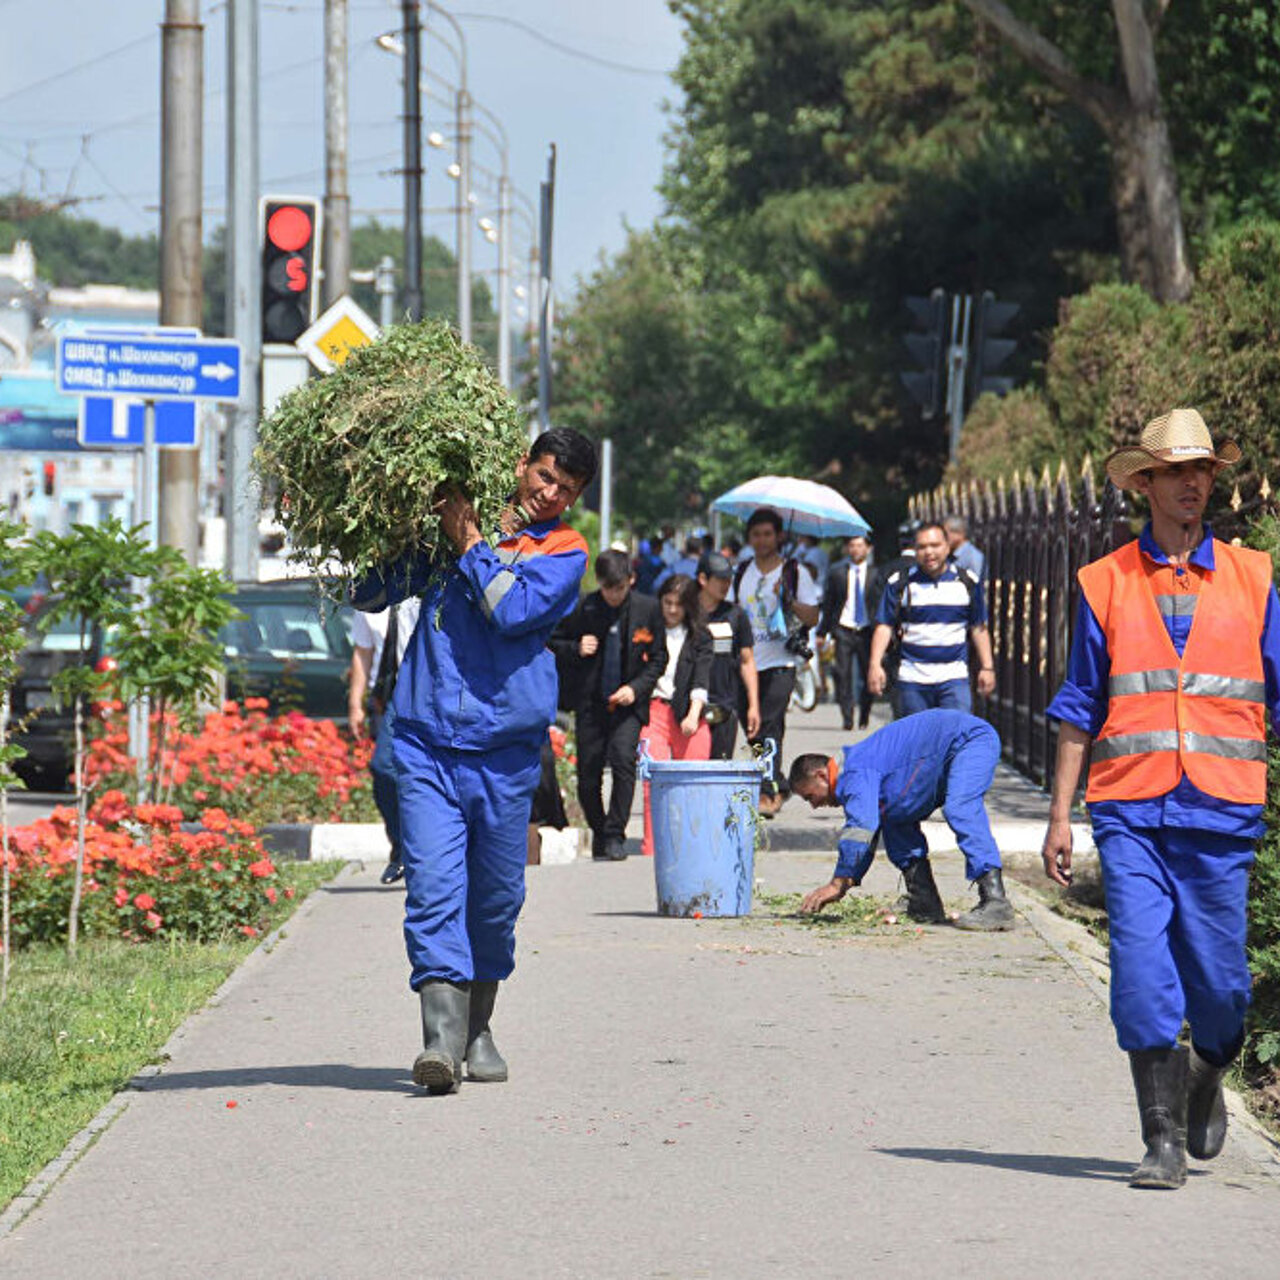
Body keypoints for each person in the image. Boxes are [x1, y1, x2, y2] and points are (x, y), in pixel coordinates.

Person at [1041, 407, 1280, 1190]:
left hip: (1221, 811)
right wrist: (1059, 817)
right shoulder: (1105, 581)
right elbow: (1080, 702)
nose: (1191, 484)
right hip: (1130, 810)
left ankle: (1209, 1069)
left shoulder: (1253, 578)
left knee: (1222, 990)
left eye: (1202, 470)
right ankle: (1162, 1141)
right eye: (1175, 471)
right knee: (1141, 973)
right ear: (1145, 483)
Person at [351, 427, 597, 1095]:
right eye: (543, 477)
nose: (549, 494)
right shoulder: (456, 525)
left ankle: (477, 1027)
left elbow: (510, 612)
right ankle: (438, 1043)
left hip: (506, 755)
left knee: (494, 901)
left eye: (565, 490)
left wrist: (470, 543)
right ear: (522, 465)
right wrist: (381, 522)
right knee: (432, 891)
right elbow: (368, 593)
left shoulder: (565, 553)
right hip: (426, 742)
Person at [789, 708, 1015, 930]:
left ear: (821, 775)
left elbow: (861, 828)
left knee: (960, 808)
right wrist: (846, 881)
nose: (814, 805)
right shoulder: (856, 769)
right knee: (894, 815)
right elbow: (869, 830)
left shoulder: (854, 771)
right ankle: (923, 901)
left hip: (970, 740)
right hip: (943, 749)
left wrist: (838, 883)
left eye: (810, 796)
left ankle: (996, 902)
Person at [551, 548, 666, 861]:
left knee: (623, 761)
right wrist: (576, 647)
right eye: (608, 588)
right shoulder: (584, 607)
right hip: (591, 703)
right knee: (588, 774)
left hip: (629, 703)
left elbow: (659, 658)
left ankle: (616, 833)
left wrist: (636, 688)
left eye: (620, 588)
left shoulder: (647, 609)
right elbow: (553, 641)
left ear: (631, 580)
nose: (614, 595)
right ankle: (600, 831)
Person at [729, 507, 821, 812]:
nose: (762, 540)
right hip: (746, 662)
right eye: (756, 534)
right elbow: (730, 610)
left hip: (780, 661)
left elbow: (813, 615)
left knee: (768, 724)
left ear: (779, 536)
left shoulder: (795, 572)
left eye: (768, 534)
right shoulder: (742, 572)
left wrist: (789, 600)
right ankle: (778, 781)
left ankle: (768, 792)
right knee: (752, 726)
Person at [868, 520, 994, 716]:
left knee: (954, 737)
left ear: (947, 546)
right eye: (922, 547)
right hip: (913, 681)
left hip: (954, 679)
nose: (929, 552)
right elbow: (884, 626)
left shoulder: (967, 582)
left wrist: (987, 667)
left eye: (935, 546)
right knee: (920, 741)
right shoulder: (900, 583)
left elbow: (978, 627)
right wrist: (875, 665)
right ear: (915, 550)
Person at [347, 596, 421, 884]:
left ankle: (425, 851)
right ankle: (402, 846)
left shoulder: (421, 587)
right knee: (383, 767)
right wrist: (356, 703)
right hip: (391, 696)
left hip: (427, 688)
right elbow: (363, 651)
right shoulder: (370, 593)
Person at [639, 574, 713, 857]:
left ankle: (693, 849)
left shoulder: (700, 637)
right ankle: (651, 850)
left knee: (693, 786)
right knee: (652, 781)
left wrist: (694, 715)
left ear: (689, 606)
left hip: (689, 713)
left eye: (678, 605)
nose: (671, 610)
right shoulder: (647, 629)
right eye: (667, 602)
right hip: (654, 711)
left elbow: (702, 680)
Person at [697, 550, 760, 759]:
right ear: (703, 579)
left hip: (723, 705)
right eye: (720, 580)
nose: (725, 585)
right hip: (690, 705)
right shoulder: (686, 612)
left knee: (719, 769)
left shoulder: (736, 615)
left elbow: (747, 661)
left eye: (729, 580)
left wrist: (753, 705)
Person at [818, 533, 879, 731]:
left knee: (866, 673)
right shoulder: (837, 573)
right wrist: (823, 631)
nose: (855, 550)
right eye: (852, 546)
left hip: (866, 629)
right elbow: (828, 604)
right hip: (843, 628)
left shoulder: (876, 574)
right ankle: (847, 716)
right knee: (842, 674)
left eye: (860, 546)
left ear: (868, 549)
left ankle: (865, 714)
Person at [944, 513, 986, 583]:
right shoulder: (949, 554)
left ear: (959, 534)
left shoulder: (974, 557)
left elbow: (977, 584)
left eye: (946, 534)